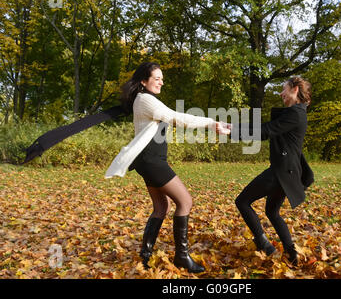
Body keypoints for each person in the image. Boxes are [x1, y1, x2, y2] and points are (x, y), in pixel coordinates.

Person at [120, 62, 229, 273]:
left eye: (162, 78)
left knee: (162, 207)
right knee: (185, 201)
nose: (161, 82)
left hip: (149, 160)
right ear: (144, 81)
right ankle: (182, 257)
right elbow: (178, 118)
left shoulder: (145, 100)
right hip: (152, 161)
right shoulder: (145, 100)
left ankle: (145, 256)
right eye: (157, 78)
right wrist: (211, 123)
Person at [233, 76, 314, 266]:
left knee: (242, 201)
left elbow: (266, 130)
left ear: (294, 89)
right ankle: (292, 255)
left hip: (281, 172)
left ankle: (264, 245)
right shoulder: (295, 112)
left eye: (283, 89)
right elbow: (265, 128)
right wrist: (234, 128)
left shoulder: (295, 114)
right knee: (272, 212)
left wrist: (233, 131)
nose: (280, 93)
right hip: (286, 172)